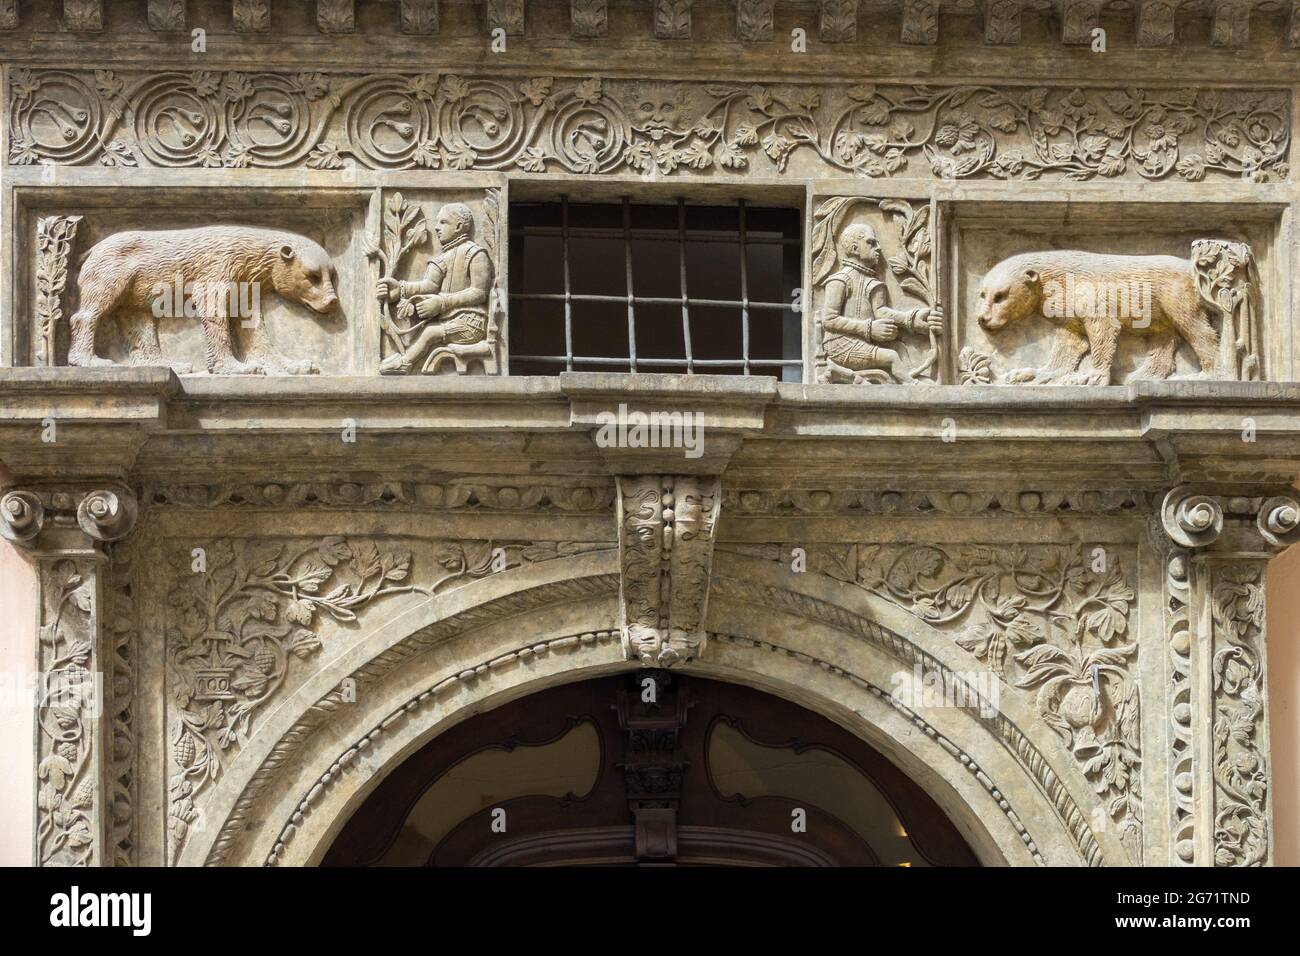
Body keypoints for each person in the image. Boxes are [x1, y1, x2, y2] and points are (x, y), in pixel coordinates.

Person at [376, 202, 494, 374]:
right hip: (451, 320)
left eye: (443, 222)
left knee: (430, 332)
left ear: (459, 226)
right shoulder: (442, 257)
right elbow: (428, 285)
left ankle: (405, 363)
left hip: (472, 323)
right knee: (423, 329)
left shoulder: (475, 254)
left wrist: (441, 303)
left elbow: (479, 292)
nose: (436, 228)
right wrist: (400, 289)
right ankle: (403, 358)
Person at [820, 223, 942, 382]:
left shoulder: (871, 281)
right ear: (855, 249)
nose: (878, 248)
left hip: (861, 341)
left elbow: (881, 311)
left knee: (898, 347)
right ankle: (912, 385)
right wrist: (869, 328)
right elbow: (828, 320)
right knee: (891, 356)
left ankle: (911, 377)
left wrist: (911, 319)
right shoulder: (840, 280)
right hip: (840, 344)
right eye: (871, 243)